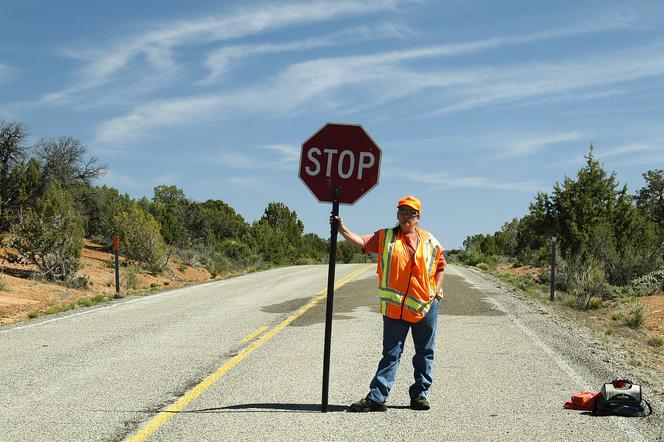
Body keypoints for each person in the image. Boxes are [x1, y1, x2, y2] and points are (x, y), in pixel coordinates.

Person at [333, 195, 446, 412]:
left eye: (411, 213)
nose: (406, 216)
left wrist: (434, 292)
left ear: (418, 217)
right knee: (391, 353)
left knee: (425, 351)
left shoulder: (430, 240)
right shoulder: (385, 237)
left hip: (426, 306)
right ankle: (377, 397)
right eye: (402, 212)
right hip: (396, 309)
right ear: (397, 215)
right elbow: (363, 243)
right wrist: (342, 230)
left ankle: (420, 395)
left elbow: (441, 266)